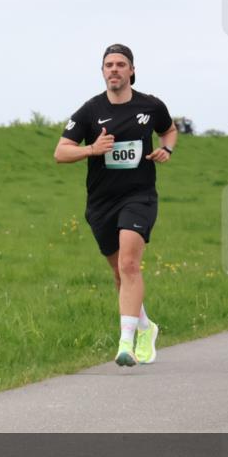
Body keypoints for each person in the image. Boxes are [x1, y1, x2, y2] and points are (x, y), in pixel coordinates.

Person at [54, 44, 177, 367]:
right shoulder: (90, 111)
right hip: (100, 202)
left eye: (121, 64)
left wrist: (167, 149)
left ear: (132, 70)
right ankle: (146, 327)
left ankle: (126, 343)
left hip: (139, 196)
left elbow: (169, 130)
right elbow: (61, 152)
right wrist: (92, 149)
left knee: (129, 265)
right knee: (119, 273)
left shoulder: (150, 105)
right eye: (109, 64)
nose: (114, 69)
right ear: (102, 71)